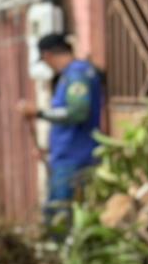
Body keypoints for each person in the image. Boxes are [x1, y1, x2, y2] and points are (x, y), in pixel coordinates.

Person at [17, 32, 103, 224]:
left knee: (59, 218)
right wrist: (49, 149)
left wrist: (39, 113)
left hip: (75, 159)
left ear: (47, 56)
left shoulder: (77, 75)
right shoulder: (71, 75)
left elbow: (78, 113)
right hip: (68, 155)